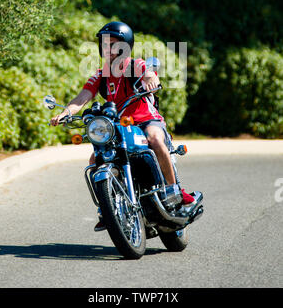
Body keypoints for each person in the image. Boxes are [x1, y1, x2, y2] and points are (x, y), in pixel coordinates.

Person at [51, 21, 194, 231]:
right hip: (118, 126)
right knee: (95, 159)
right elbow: (82, 98)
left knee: (155, 139)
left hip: (145, 119)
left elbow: (148, 73)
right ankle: (107, 208)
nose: (108, 49)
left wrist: (151, 80)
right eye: (105, 44)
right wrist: (65, 112)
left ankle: (172, 190)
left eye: (113, 44)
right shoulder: (100, 75)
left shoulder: (134, 65)